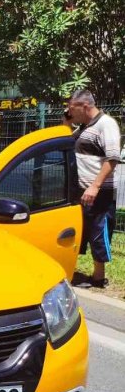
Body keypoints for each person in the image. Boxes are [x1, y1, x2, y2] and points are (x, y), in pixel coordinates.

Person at [63, 90, 122, 288]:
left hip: (99, 191)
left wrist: (95, 186)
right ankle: (77, 271)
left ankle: (98, 278)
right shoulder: (84, 127)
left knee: (99, 231)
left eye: (72, 108)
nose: (69, 111)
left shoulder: (106, 124)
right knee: (82, 231)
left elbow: (112, 158)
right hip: (81, 190)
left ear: (85, 106)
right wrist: (67, 121)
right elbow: (65, 140)